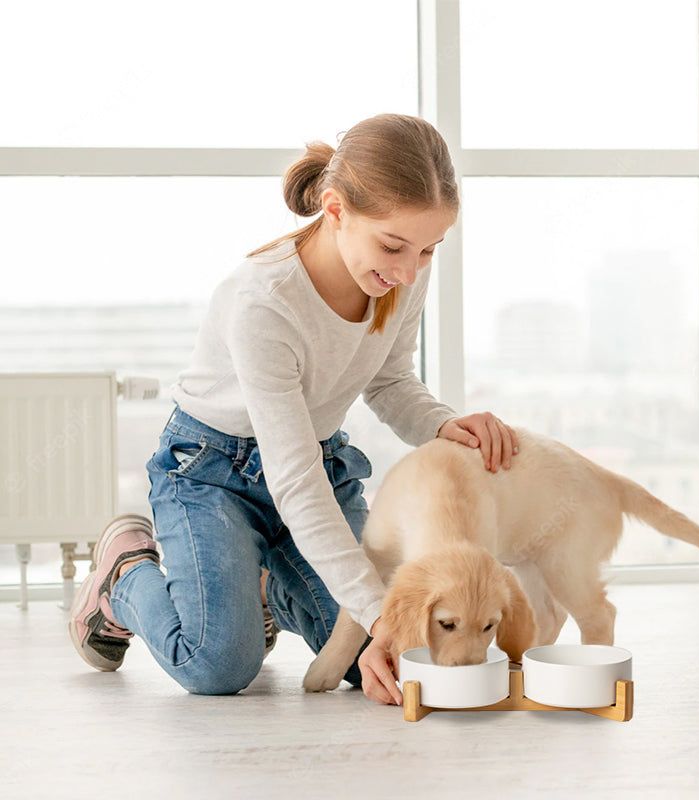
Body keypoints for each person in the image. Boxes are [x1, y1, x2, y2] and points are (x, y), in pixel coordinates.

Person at [68, 113, 518, 704]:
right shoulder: (263, 301)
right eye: (394, 246)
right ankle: (125, 571)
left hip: (317, 468)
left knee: (378, 661)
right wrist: (375, 612)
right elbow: (294, 479)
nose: (410, 270)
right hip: (212, 475)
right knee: (218, 666)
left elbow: (388, 380)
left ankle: (258, 584)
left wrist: (441, 424)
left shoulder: (400, 272)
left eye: (429, 249)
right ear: (334, 210)